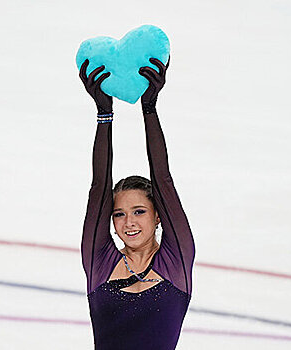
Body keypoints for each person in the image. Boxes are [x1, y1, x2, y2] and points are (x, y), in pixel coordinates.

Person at [79, 57, 195, 349]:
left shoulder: (176, 260)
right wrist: (104, 115)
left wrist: (150, 109)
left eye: (139, 211)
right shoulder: (100, 261)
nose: (128, 222)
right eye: (119, 214)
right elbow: (99, 187)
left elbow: (163, 180)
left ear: (159, 216)